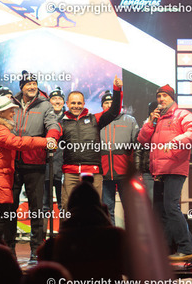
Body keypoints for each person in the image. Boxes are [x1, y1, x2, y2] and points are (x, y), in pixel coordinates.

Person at [0, 95, 55, 256]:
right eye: (11, 110)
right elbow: (18, 143)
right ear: (1, 112)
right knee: (0, 217)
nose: (14, 113)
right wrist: (44, 142)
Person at [137, 85, 192, 261]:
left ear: (172, 98)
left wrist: (176, 141)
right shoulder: (156, 118)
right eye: (159, 96)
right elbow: (142, 139)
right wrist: (150, 122)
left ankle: (187, 248)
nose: (161, 99)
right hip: (159, 170)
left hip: (174, 167)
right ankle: (164, 250)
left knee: (171, 207)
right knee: (160, 210)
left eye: (165, 96)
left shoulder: (181, 115)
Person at [11, 71, 61, 260]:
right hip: (13, 164)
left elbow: (53, 125)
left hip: (35, 163)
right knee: (10, 209)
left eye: (34, 83)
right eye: (28, 84)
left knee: (37, 209)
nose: (32, 86)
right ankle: (8, 249)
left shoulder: (45, 104)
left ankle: (36, 251)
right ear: (21, 87)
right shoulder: (11, 103)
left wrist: (52, 138)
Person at [60, 76, 123, 209]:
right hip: (71, 172)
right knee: (68, 208)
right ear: (67, 103)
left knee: (94, 209)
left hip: (92, 172)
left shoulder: (95, 119)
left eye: (79, 103)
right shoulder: (62, 123)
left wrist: (117, 90)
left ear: (84, 104)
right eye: (73, 103)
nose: (76, 106)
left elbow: (113, 111)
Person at [99, 90, 139, 225]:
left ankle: (131, 236)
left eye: (112, 102)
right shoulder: (98, 121)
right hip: (104, 173)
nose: (109, 105)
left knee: (129, 209)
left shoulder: (130, 120)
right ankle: (111, 237)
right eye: (106, 102)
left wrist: (136, 170)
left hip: (124, 174)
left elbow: (138, 146)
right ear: (102, 106)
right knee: (107, 209)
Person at [43, 87, 65, 228]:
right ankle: (41, 237)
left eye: (60, 99)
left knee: (64, 206)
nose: (57, 101)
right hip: (46, 167)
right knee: (44, 206)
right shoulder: (43, 118)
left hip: (64, 168)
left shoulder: (69, 119)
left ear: (64, 102)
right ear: (49, 101)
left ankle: (65, 236)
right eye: (54, 98)